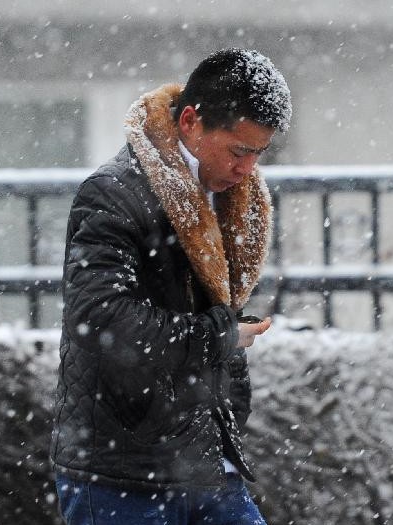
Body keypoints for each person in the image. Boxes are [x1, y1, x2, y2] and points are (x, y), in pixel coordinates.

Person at [50, 48, 291, 525]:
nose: (248, 169)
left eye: (258, 154)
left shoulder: (228, 198)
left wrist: (228, 401)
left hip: (206, 466)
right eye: (239, 150)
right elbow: (100, 319)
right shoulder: (113, 194)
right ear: (189, 122)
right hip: (121, 476)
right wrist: (219, 336)